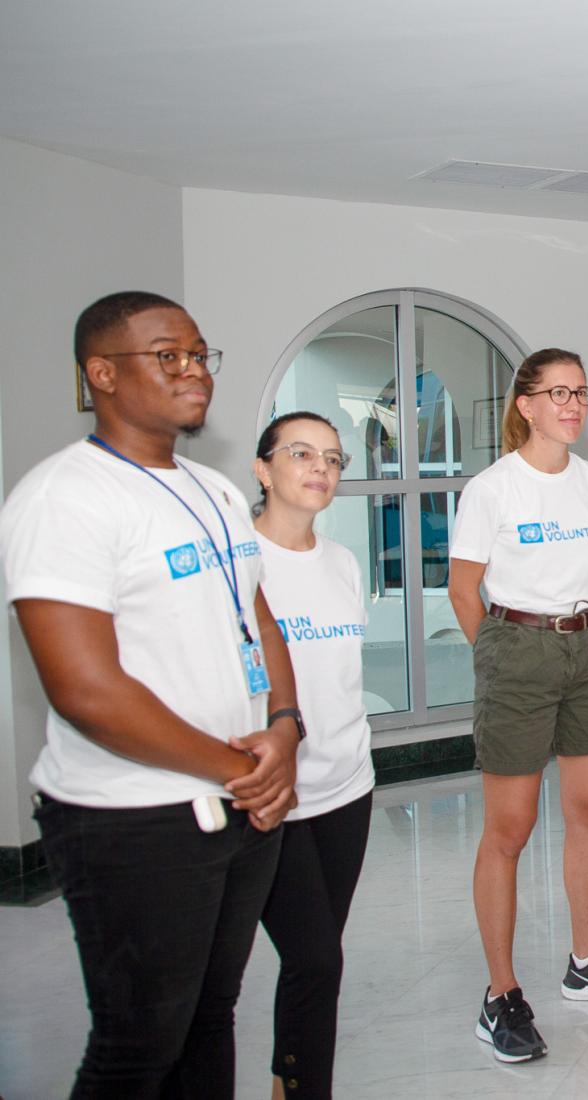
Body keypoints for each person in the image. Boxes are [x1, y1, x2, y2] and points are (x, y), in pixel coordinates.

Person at [0, 291, 300, 1096]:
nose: (194, 371)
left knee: (210, 1016)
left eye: (200, 353)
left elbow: (259, 619)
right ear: (101, 373)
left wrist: (283, 724)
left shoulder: (215, 490)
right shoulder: (65, 498)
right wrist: (238, 767)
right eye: (167, 355)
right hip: (132, 822)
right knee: (139, 1043)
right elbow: (84, 689)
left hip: (241, 803)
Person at [449, 348, 588, 1064]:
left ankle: (586, 962)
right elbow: (463, 588)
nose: (574, 405)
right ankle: (500, 994)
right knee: (509, 830)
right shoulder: (492, 489)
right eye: (559, 393)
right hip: (519, 645)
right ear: (526, 405)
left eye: (582, 392)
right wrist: (500, 661)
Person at [251, 412, 376, 1098]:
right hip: (273, 795)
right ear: (263, 468)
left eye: (333, 457)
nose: (321, 468)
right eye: (301, 454)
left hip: (347, 787)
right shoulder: (236, 561)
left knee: (314, 963)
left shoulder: (343, 563)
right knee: (314, 957)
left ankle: (287, 1083)